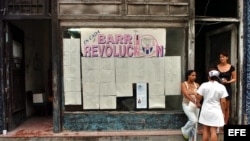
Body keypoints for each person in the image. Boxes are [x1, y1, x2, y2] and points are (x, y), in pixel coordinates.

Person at [196, 69, 228, 141]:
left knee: (205, 130)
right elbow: (223, 102)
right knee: (213, 131)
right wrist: (223, 112)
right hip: (216, 111)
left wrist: (197, 102)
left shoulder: (204, 85)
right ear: (217, 77)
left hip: (205, 110)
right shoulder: (221, 87)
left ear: (209, 77)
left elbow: (198, 98)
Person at [215, 51, 236, 125]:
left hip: (227, 88)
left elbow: (234, 78)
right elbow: (213, 77)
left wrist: (228, 82)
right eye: (220, 57)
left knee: (226, 107)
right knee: (218, 105)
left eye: (223, 57)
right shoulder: (216, 67)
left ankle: (225, 123)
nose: (221, 58)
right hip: (218, 88)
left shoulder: (231, 67)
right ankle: (218, 122)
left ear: (227, 57)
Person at [181, 70, 200, 141]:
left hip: (195, 105)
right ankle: (184, 129)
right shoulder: (184, 84)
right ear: (188, 76)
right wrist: (195, 100)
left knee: (195, 125)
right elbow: (186, 95)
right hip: (186, 104)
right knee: (193, 120)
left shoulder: (197, 85)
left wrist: (196, 100)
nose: (194, 77)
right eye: (192, 75)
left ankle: (192, 140)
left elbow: (199, 95)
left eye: (195, 75)